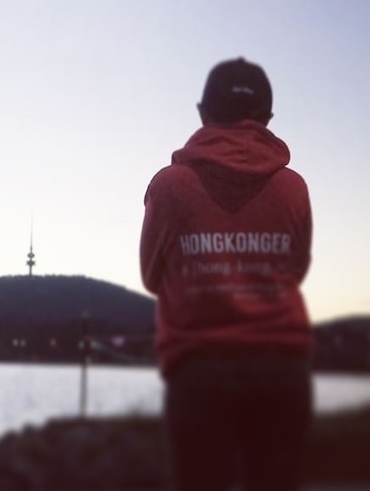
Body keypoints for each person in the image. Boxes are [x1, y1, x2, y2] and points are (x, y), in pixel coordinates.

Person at [140, 58, 313, 491]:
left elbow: (150, 273)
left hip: (199, 372)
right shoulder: (294, 189)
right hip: (282, 370)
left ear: (203, 113)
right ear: (267, 119)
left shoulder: (170, 187)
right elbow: (296, 268)